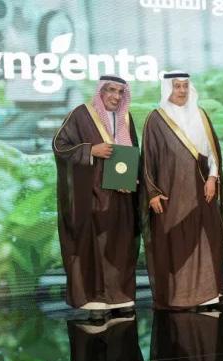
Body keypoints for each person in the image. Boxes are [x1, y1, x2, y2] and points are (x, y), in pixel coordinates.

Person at [141, 71, 223, 310]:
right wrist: (152, 192)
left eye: (185, 86)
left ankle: (209, 296)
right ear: (167, 88)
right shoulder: (156, 119)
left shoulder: (201, 115)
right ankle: (179, 296)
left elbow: (213, 153)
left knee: (207, 240)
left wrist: (212, 178)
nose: (181, 90)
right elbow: (147, 159)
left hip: (202, 191)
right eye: (177, 86)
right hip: (170, 196)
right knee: (176, 245)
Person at [52, 75, 140, 316]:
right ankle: (94, 299)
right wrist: (91, 150)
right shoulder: (80, 115)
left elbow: (133, 152)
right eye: (111, 90)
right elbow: (59, 147)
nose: (116, 96)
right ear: (100, 92)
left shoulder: (126, 118)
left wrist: (132, 178)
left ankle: (119, 296)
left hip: (121, 196)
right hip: (90, 196)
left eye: (120, 92)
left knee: (120, 246)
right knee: (94, 248)